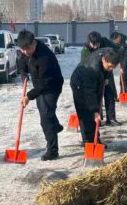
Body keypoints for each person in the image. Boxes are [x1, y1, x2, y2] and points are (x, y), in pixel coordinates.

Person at [16, 30, 64, 161]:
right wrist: (23, 74)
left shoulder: (45, 57)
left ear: (34, 43)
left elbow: (44, 84)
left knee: (46, 118)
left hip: (51, 86)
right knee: (45, 112)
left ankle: (52, 151)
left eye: (27, 49)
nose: (25, 52)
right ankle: (56, 126)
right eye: (22, 49)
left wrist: (28, 96)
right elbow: (21, 62)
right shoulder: (27, 50)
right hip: (39, 86)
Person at [70, 50, 120, 145]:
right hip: (79, 84)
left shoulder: (109, 54)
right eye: (109, 66)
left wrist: (105, 77)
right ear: (104, 59)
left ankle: (95, 139)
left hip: (92, 82)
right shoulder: (92, 69)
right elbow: (90, 93)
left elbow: (106, 70)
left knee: (93, 113)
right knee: (86, 113)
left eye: (113, 67)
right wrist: (95, 111)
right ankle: (88, 141)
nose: (111, 69)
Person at [81, 31, 119, 125]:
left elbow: (115, 51)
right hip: (93, 77)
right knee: (97, 97)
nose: (95, 47)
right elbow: (85, 66)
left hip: (107, 73)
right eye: (93, 44)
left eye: (97, 44)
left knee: (109, 95)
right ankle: (98, 119)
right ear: (89, 42)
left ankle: (111, 118)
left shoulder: (105, 43)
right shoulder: (85, 51)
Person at [111, 31, 127, 101]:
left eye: (116, 40)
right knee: (122, 80)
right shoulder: (117, 42)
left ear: (118, 37)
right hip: (123, 62)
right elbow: (117, 53)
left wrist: (122, 68)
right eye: (114, 41)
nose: (115, 42)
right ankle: (122, 95)